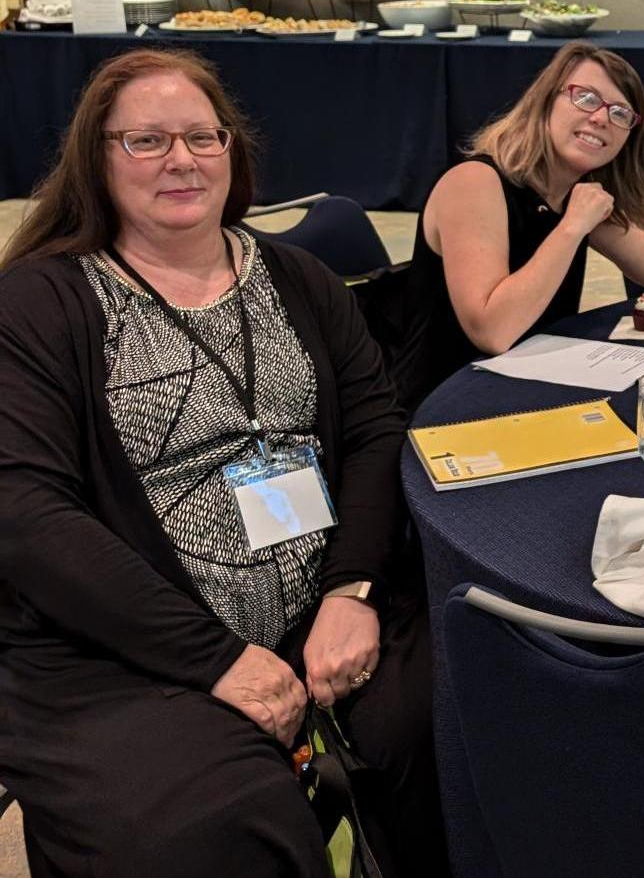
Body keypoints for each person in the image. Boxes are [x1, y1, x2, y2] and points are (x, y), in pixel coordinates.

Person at [0, 49, 442, 875]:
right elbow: (26, 514)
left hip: (324, 604)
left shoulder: (300, 279)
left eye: (204, 137)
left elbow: (378, 431)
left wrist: (354, 591)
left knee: (460, 719)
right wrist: (217, 658)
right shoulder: (39, 303)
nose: (182, 159)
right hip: (124, 647)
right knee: (216, 826)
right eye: (146, 140)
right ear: (95, 160)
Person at [397, 41, 644, 408]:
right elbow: (493, 331)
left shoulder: (574, 193)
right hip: (445, 404)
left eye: (620, 113)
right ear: (545, 101)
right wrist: (572, 226)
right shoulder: (475, 183)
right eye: (586, 98)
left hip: (533, 389)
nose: (601, 118)